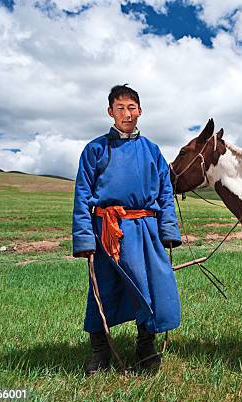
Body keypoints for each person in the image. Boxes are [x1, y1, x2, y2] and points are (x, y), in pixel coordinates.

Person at [72, 84, 182, 375]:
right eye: (120, 108)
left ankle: (145, 349)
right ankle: (100, 352)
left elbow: (164, 193)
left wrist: (168, 230)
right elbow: (82, 194)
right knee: (102, 290)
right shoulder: (95, 150)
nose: (126, 113)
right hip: (107, 231)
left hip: (145, 231)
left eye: (131, 107)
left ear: (140, 111)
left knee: (151, 290)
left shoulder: (152, 151)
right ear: (110, 112)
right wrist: (84, 237)